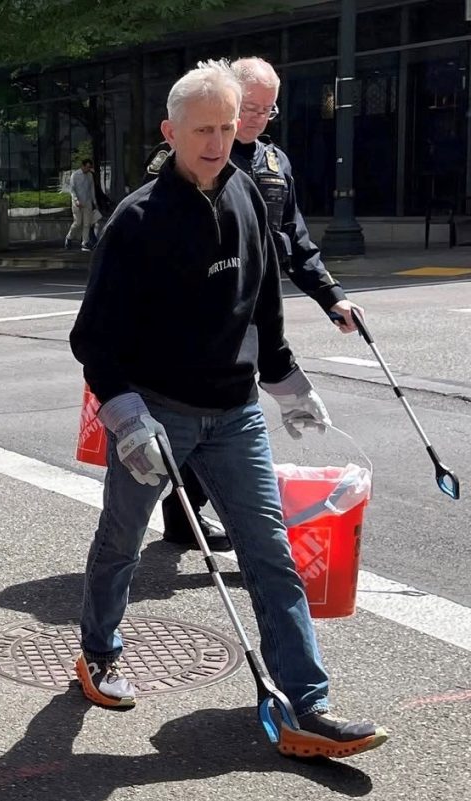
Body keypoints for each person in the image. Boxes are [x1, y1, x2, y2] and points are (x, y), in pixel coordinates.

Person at [69, 60, 388, 759]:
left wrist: (288, 384)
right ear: (170, 131)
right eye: (201, 129)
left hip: (234, 409)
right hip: (157, 411)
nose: (216, 141)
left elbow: (262, 304)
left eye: (225, 126)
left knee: (271, 554)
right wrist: (126, 416)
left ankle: (307, 704)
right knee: (122, 540)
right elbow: (93, 338)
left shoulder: (246, 192)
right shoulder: (137, 220)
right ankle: (98, 650)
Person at [143, 56, 365, 554]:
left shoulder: (273, 164)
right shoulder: (193, 157)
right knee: (198, 417)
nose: (257, 119)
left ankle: (241, 533)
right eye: (251, 108)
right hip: (202, 313)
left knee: (229, 421)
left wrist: (334, 297)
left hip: (254, 305)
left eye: (268, 110)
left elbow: (295, 238)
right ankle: (186, 515)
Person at [64, 158, 97, 251]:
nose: (88, 169)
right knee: (77, 223)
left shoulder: (90, 175)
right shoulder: (75, 175)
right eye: (86, 167)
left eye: (89, 167)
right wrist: (76, 200)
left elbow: (92, 189)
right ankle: (69, 237)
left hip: (87, 202)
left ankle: (85, 242)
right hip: (77, 203)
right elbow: (72, 189)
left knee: (87, 223)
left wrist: (94, 202)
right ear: (82, 166)